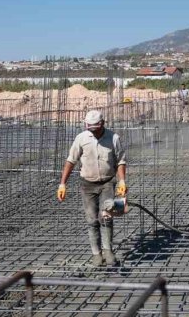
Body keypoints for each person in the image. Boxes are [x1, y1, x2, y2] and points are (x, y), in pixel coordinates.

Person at [57, 110, 127, 267]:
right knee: (92, 220)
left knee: (106, 216)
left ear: (103, 124)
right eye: (90, 129)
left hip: (107, 182)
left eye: (96, 129)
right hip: (87, 184)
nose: (93, 132)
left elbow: (121, 161)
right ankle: (96, 253)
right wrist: (63, 183)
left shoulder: (113, 138)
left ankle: (108, 251)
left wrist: (122, 181)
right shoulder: (81, 139)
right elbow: (71, 160)